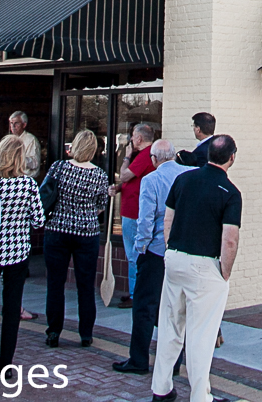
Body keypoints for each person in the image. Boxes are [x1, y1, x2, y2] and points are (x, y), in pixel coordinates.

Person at [151, 135, 242, 402]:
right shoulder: (231, 193)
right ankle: (200, 397)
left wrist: (170, 250)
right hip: (206, 265)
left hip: (176, 259)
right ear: (232, 157)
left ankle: (161, 388)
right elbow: (230, 239)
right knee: (201, 335)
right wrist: (225, 271)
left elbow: (168, 219)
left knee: (170, 326)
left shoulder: (183, 180)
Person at [113, 138, 193, 375]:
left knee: (144, 306)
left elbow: (145, 221)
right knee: (176, 308)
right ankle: (174, 363)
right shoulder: (189, 175)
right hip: (182, 250)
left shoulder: (151, 179)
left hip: (156, 251)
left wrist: (140, 249)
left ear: (154, 159)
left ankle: (138, 359)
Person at [42, 128, 109, 348]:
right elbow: (101, 205)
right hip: (86, 233)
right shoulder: (99, 175)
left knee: (55, 283)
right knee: (86, 285)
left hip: (58, 229)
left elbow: (46, 193)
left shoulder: (59, 168)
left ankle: (54, 331)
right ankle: (86, 333)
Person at [0, 135, 44, 370]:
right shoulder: (27, 185)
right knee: (11, 308)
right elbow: (38, 220)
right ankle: (5, 362)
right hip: (17, 252)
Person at [110, 124, 156, 308]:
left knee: (133, 254)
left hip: (133, 212)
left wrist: (126, 156)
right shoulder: (147, 155)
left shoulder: (144, 155)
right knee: (134, 253)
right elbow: (131, 181)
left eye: (132, 136)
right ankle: (134, 291)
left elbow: (124, 175)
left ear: (139, 138)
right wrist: (119, 188)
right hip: (132, 208)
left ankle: (134, 293)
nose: (130, 139)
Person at [8, 112, 40, 176]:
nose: (13, 126)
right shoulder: (9, 140)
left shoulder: (31, 139)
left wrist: (18, 158)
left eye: (16, 123)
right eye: (11, 123)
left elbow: (35, 163)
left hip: (26, 179)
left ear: (24, 125)